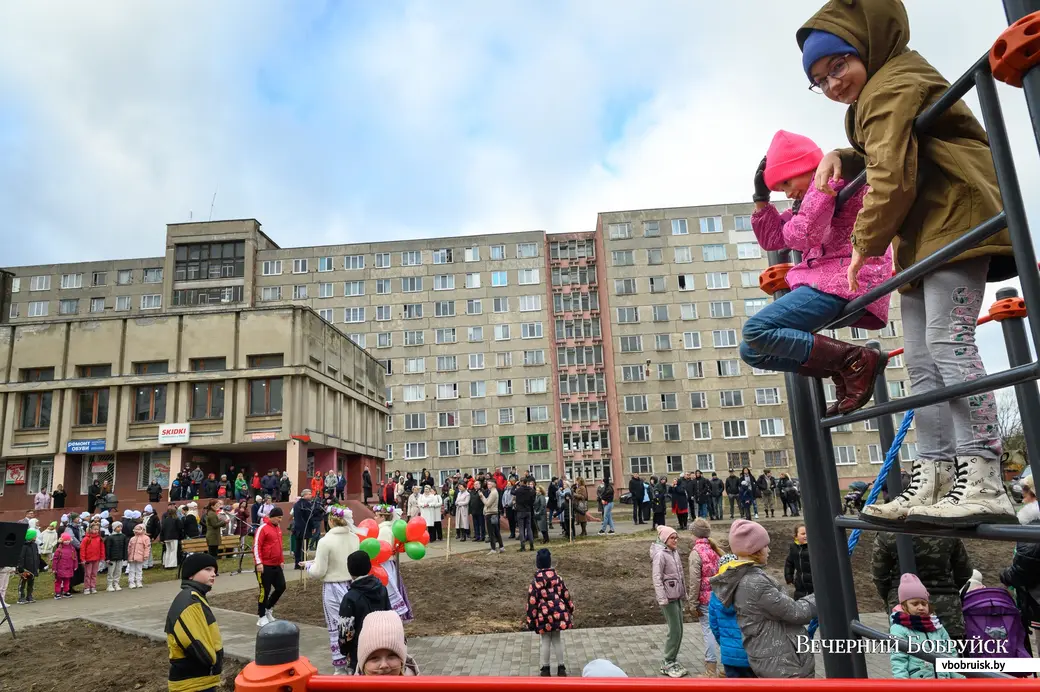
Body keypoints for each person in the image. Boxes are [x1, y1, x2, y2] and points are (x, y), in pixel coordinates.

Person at [798, 0, 1016, 527]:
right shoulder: (879, 91)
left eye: (838, 67)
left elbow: (892, 173)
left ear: (865, 50)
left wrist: (863, 246)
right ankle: (936, 476)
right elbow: (883, 146)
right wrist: (842, 154)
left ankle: (984, 474)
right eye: (819, 81)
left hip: (954, 216)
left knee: (949, 343)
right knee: (920, 360)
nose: (832, 85)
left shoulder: (892, 84)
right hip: (926, 230)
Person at [743, 129, 890, 413]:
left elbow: (803, 234)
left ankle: (853, 360)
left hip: (845, 278)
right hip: (826, 283)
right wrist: (760, 198)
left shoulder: (828, 180)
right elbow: (773, 240)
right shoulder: (807, 199)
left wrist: (790, 223)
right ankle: (841, 364)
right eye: (779, 188)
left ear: (805, 167)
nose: (787, 192)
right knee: (752, 350)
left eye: (787, 182)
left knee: (757, 330)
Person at [710, 520, 817, 678]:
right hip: (782, 661)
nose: (769, 550)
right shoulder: (755, 583)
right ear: (754, 550)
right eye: (765, 546)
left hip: (771, 656)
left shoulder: (745, 578)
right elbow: (796, 612)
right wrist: (822, 596)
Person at [871, 533, 972, 641]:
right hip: (947, 609)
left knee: (907, 653)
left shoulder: (888, 534)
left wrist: (896, 598)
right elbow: (964, 572)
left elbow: (879, 576)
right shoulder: (947, 530)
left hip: (905, 607)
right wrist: (949, 589)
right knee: (950, 653)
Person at [308, 506, 361, 674]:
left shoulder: (325, 541)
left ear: (330, 521)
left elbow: (319, 571)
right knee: (352, 623)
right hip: (352, 585)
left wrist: (310, 567)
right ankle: (354, 661)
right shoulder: (354, 538)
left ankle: (340, 666)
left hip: (332, 587)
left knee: (336, 626)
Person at [165, 552, 224, 692]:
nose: (214, 574)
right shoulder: (189, 600)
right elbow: (195, 642)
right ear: (191, 574)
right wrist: (213, 662)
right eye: (208, 569)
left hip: (201, 681)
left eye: (215, 571)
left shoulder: (197, 596)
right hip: (192, 683)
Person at [889, 574, 961, 679]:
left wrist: (959, 681)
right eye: (915, 604)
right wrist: (902, 684)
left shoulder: (937, 626)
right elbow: (899, 659)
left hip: (943, 682)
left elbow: (951, 654)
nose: (921, 607)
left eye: (924, 603)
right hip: (918, 684)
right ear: (904, 606)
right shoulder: (899, 628)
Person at [339, 550, 392, 675]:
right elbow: (390, 615)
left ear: (350, 571)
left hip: (359, 650)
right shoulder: (382, 589)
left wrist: (344, 650)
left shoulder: (350, 597)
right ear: (369, 566)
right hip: (382, 645)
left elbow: (346, 631)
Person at [526, 548, 574, 677]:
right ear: (550, 562)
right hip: (558, 613)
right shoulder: (557, 578)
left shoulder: (535, 581)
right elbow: (566, 594)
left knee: (545, 641)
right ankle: (561, 667)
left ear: (537, 563)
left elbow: (532, 602)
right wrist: (570, 608)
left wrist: (530, 619)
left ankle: (546, 668)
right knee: (557, 640)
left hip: (544, 616)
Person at [651, 526, 688, 678]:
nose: (675, 540)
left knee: (680, 630)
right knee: (675, 631)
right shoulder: (660, 555)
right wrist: (662, 598)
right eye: (672, 538)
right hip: (668, 599)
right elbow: (657, 578)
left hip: (676, 596)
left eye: (676, 537)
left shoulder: (674, 552)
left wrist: (683, 593)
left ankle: (672, 660)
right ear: (665, 539)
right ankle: (667, 662)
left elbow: (680, 575)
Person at [709, 554, 753, 678]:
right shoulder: (748, 592)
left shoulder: (715, 596)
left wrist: (724, 642)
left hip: (729, 655)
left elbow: (714, 626)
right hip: (750, 653)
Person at [687, 519, 722, 677]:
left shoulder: (696, 553)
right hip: (719, 597)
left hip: (705, 600)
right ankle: (728, 665)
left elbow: (695, 580)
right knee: (721, 631)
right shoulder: (715, 549)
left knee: (708, 632)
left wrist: (692, 604)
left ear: (694, 534)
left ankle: (710, 668)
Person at [355, 610, 420, 676]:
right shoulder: (351, 686)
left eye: (392, 656)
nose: (384, 665)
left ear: (402, 661)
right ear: (363, 665)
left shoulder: (418, 685)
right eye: (374, 658)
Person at [253, 506, 285, 627]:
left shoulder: (278, 529)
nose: (280, 520)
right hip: (264, 565)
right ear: (272, 517)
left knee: (281, 586)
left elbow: (280, 546)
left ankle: (268, 608)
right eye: (278, 517)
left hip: (276, 564)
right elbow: (257, 546)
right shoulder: (263, 528)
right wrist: (258, 562)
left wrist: (281, 560)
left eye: (281, 517)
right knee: (264, 590)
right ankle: (261, 615)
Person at [784, 525, 813, 599]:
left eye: (808, 533)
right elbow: (789, 563)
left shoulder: (814, 547)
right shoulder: (794, 548)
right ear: (796, 536)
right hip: (800, 584)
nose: (806, 536)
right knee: (800, 601)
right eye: (803, 534)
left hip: (814, 584)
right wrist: (789, 577)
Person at [80, 523, 105, 595]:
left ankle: (93, 586)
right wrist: (83, 559)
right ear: (90, 529)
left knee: (94, 573)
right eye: (95, 529)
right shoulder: (86, 539)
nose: (96, 531)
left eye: (97, 529)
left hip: (96, 559)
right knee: (88, 574)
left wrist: (102, 557)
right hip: (88, 560)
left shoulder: (99, 538)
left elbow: (102, 548)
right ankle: (86, 587)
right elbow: (82, 549)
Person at [51, 533, 77, 599]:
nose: (67, 541)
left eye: (68, 540)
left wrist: (75, 565)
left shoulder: (72, 549)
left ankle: (66, 591)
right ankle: (57, 593)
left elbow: (74, 558)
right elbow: (55, 560)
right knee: (58, 581)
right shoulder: (59, 550)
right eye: (65, 540)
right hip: (60, 568)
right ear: (62, 540)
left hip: (69, 567)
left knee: (67, 580)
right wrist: (54, 568)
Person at [17, 528, 39, 604]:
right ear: (31, 536)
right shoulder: (24, 546)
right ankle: (21, 597)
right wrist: (21, 568)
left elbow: (36, 556)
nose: (36, 537)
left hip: (33, 568)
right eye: (35, 535)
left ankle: (29, 596)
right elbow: (21, 557)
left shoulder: (35, 545)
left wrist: (38, 565)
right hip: (25, 569)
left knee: (31, 583)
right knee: (23, 583)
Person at [104, 520, 129, 592]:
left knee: (118, 571)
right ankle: (109, 585)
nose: (120, 528)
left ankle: (116, 583)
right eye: (118, 527)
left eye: (121, 526)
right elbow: (108, 548)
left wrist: (125, 556)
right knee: (111, 572)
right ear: (114, 528)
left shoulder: (123, 536)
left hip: (120, 557)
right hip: (112, 558)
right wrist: (107, 558)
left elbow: (125, 547)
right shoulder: (110, 537)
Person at [513, 478, 535, 552]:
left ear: (521, 482)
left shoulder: (519, 490)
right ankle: (531, 545)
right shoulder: (530, 490)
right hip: (528, 510)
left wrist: (515, 485)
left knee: (521, 529)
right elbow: (533, 499)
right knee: (529, 528)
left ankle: (523, 546)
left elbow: (512, 492)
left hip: (520, 511)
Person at [127, 523, 151, 589]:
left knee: (139, 569)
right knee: (131, 570)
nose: (137, 531)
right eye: (136, 529)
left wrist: (146, 555)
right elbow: (129, 547)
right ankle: (131, 582)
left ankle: (139, 581)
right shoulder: (132, 539)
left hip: (140, 556)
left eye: (139, 529)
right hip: (131, 556)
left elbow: (147, 547)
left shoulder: (146, 538)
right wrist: (127, 555)